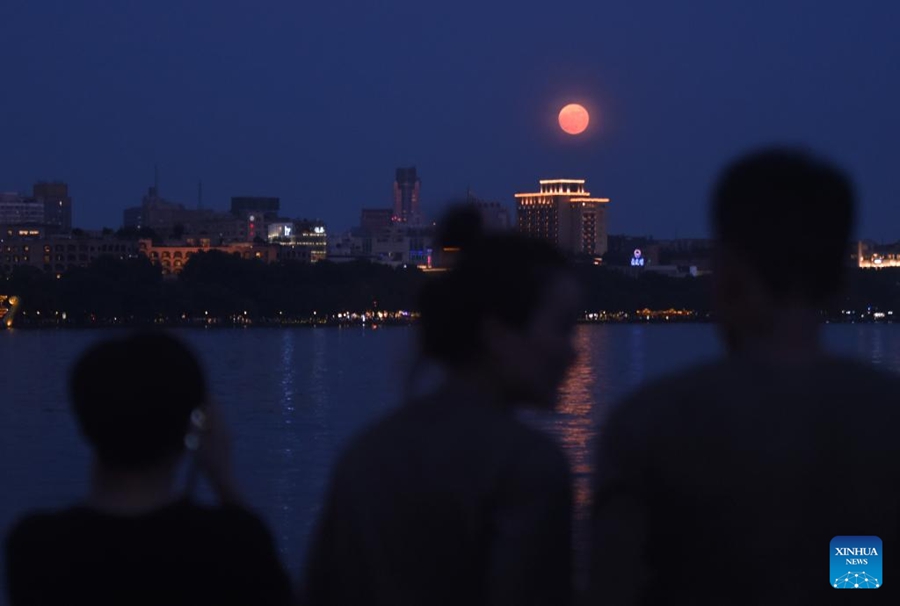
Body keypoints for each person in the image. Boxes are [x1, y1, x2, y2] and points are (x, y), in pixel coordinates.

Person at [588, 148, 900, 604]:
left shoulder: (649, 426)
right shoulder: (884, 417)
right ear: (840, 278)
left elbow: (613, 585)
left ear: (725, 273)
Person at [301, 221, 582, 606]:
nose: (574, 353)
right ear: (497, 333)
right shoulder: (526, 466)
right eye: (563, 329)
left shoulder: (366, 452)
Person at [5, 331, 291, 606]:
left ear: (84, 421)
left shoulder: (37, 549)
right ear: (192, 424)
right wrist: (222, 476)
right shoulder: (233, 548)